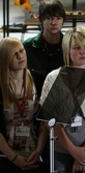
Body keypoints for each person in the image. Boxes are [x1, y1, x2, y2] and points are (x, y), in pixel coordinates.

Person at [39, 27, 85, 172]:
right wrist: (73, 151)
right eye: (77, 48)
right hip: (60, 150)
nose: (82, 52)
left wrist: (84, 153)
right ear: (67, 50)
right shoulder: (53, 77)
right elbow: (49, 121)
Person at [0, 38, 47, 172]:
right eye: (15, 54)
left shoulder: (39, 80)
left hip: (35, 155)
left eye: (22, 51)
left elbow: (44, 122)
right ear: (5, 58)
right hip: (5, 157)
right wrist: (14, 158)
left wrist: (38, 151)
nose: (20, 56)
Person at [23, 0, 65, 93]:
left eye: (58, 18)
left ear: (63, 20)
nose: (54, 23)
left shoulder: (70, 46)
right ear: (40, 20)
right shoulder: (27, 47)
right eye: (49, 18)